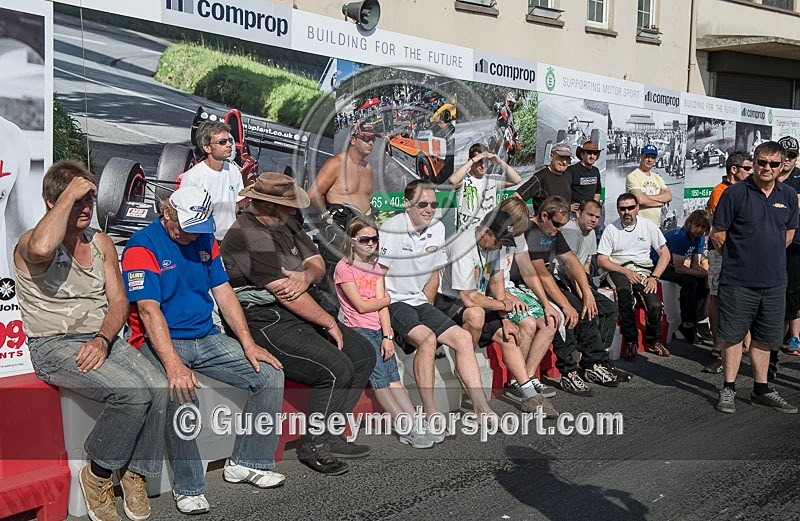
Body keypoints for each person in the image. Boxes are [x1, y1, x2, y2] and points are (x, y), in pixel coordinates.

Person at [15, 160, 167, 521]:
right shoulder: (30, 242)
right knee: (131, 392)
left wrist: (102, 338)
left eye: (89, 200)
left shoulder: (100, 242)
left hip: (101, 336)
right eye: (77, 200)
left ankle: (134, 472)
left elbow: (118, 302)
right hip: (54, 343)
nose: (86, 208)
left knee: (159, 386)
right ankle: (97, 473)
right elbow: (40, 248)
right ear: (55, 201)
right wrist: (70, 192)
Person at [121, 186, 286, 514]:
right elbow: (149, 312)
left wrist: (248, 343)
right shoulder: (141, 246)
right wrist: (172, 363)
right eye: (186, 227)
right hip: (161, 340)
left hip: (205, 336)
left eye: (198, 227)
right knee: (180, 392)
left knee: (268, 373)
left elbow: (223, 292)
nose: (191, 235)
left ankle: (247, 463)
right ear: (168, 214)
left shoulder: (203, 238)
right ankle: (189, 487)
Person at [220, 172, 376, 475]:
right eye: (288, 205)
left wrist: (305, 276)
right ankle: (314, 444)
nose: (295, 211)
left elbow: (315, 262)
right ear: (267, 206)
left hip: (295, 308)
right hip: (262, 317)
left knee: (363, 354)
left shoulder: (285, 223)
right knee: (335, 369)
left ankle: (330, 433)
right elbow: (284, 293)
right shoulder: (248, 233)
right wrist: (329, 322)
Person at [380, 180, 495, 425]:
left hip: (419, 301)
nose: (429, 209)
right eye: (423, 204)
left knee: (463, 339)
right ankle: (431, 412)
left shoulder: (438, 228)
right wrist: (384, 324)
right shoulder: (392, 228)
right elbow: (378, 275)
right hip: (394, 301)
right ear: (407, 203)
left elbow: (434, 273)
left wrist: (428, 307)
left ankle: (481, 408)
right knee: (427, 339)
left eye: (433, 204)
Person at [436, 208, 559, 417]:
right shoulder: (462, 245)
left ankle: (529, 394)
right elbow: (468, 297)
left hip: (478, 298)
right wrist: (503, 306)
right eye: (498, 241)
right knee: (476, 314)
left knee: (508, 335)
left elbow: (496, 280)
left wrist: (505, 319)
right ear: (485, 232)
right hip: (450, 299)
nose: (500, 246)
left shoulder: (495, 244)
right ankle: (465, 362)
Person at [711, 141, 799, 414]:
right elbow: (718, 235)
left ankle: (762, 389)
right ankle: (728, 388)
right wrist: (743, 257)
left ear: (782, 165)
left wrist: (766, 257)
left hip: (774, 280)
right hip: (738, 280)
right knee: (733, 336)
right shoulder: (735, 194)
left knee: (764, 337)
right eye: (762, 162)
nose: (767, 168)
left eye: (774, 164)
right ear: (755, 161)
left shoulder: (788, 195)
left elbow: (788, 235)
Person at [335, 217, 435, 448]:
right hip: (358, 330)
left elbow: (382, 306)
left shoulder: (375, 267)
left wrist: (388, 336)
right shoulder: (344, 268)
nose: (371, 244)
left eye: (374, 239)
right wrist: (384, 300)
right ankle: (405, 428)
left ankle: (414, 422)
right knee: (380, 381)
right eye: (365, 239)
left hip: (378, 330)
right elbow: (360, 305)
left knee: (394, 380)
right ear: (352, 241)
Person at [514, 196, 619, 396]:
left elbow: (571, 261)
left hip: (548, 282)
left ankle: (592, 363)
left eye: (563, 224)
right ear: (544, 216)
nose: (560, 228)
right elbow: (541, 275)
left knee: (584, 307)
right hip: (528, 285)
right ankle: (568, 371)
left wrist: (587, 293)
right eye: (557, 224)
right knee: (564, 316)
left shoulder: (553, 230)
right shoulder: (530, 232)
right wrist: (565, 304)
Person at [487, 197, 560, 401]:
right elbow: (494, 281)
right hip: (494, 290)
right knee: (527, 323)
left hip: (509, 287)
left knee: (551, 320)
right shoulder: (496, 235)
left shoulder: (516, 235)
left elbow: (528, 270)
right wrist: (508, 297)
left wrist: (546, 304)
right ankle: (516, 382)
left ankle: (526, 377)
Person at [559, 199, 629, 382]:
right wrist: (585, 296)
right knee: (587, 310)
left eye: (597, 217)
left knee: (610, 308)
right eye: (590, 215)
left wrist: (590, 289)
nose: (594, 220)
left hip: (580, 280)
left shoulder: (590, 233)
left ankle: (599, 359)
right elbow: (570, 269)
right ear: (578, 213)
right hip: (564, 282)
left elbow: (586, 264)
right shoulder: (570, 231)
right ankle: (591, 362)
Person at [597, 193, 671, 359]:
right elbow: (601, 260)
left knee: (655, 305)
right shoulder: (611, 229)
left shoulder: (649, 226)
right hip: (618, 268)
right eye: (623, 209)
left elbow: (665, 254)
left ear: (637, 208)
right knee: (624, 294)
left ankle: (653, 340)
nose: (627, 212)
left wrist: (655, 277)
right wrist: (626, 272)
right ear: (618, 210)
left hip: (643, 271)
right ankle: (631, 341)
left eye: (630, 208)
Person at [704, 151, 753, 370]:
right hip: (720, 251)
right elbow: (724, 224)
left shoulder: (750, 190)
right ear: (734, 170)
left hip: (743, 253)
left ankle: (746, 343)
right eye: (748, 168)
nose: (752, 172)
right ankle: (717, 345)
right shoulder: (720, 191)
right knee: (717, 296)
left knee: (744, 296)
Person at [179, 121, 244, 241]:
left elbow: (236, 206)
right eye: (222, 142)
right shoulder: (193, 177)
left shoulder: (234, 171)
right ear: (207, 148)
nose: (229, 144)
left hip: (228, 241)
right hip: (203, 241)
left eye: (229, 140)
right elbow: (187, 215)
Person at [307, 120, 377, 228]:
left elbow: (368, 197)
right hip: (341, 229)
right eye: (366, 139)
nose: (371, 143)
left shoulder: (368, 168)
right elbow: (313, 195)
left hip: (364, 229)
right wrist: (326, 215)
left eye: (373, 139)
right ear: (353, 140)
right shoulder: (336, 163)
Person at [657, 210, 711, 344]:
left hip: (671, 265)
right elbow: (679, 268)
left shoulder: (698, 239)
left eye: (703, 227)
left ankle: (698, 320)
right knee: (690, 282)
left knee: (705, 282)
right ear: (690, 224)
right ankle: (687, 323)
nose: (699, 230)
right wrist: (705, 274)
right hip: (658, 265)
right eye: (697, 226)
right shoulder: (680, 237)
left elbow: (695, 265)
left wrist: (708, 275)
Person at [450, 143, 522, 232]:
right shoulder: (464, 180)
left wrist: (499, 161)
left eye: (485, 161)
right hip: (466, 234)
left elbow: (517, 180)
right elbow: (453, 180)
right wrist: (473, 160)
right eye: (479, 161)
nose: (483, 165)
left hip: (488, 234)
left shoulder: (492, 179)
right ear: (471, 160)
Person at [778, 136, 800, 357]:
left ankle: (794, 336)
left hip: (795, 244)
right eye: (783, 154)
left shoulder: (799, 177)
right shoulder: (768, 174)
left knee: (793, 291)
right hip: (768, 243)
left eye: (791, 155)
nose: (787, 159)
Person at [514, 143, 573, 212]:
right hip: (545, 222)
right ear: (551, 156)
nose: (564, 162)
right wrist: (529, 217)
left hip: (566, 221)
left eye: (567, 159)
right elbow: (515, 198)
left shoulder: (568, 175)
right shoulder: (540, 177)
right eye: (561, 158)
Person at [625, 144, 672, 227]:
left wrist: (646, 197)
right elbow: (640, 200)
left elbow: (668, 196)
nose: (650, 160)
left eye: (653, 157)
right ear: (641, 156)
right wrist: (661, 202)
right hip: (640, 225)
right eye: (647, 156)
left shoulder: (657, 177)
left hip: (657, 225)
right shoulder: (633, 176)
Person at [566, 140, 603, 214]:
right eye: (589, 153)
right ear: (582, 154)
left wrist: (594, 206)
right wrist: (568, 206)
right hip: (575, 213)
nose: (592, 156)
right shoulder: (571, 170)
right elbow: (562, 191)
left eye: (595, 153)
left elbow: (597, 191)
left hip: (590, 212)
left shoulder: (596, 171)